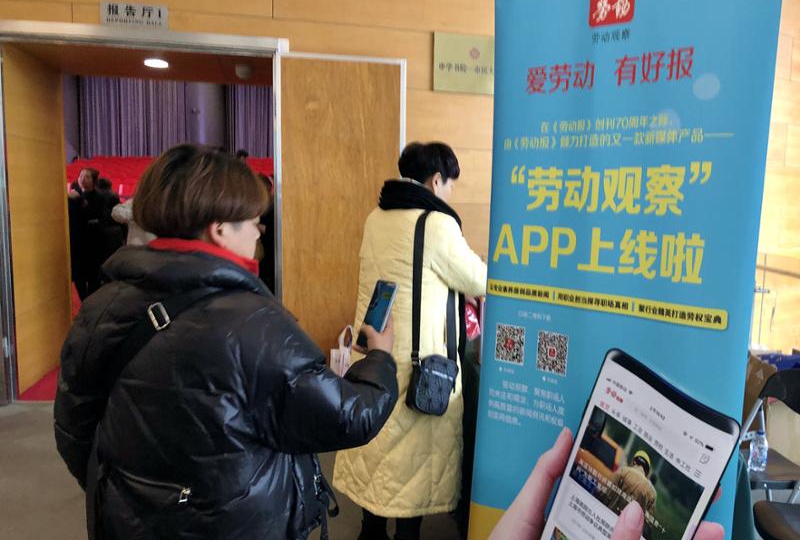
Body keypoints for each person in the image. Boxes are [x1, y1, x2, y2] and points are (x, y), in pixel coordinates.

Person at [54, 144, 400, 540]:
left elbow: (75, 428)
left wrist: (132, 498)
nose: (258, 231)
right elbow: (349, 417)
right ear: (219, 229)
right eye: (253, 221)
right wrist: (379, 358)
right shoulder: (257, 325)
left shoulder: (101, 305)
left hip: (127, 522)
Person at [333, 142, 487, 540]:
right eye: (450, 184)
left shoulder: (376, 217)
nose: (450, 192)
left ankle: (369, 532)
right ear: (436, 180)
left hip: (375, 355)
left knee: (377, 449)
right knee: (412, 464)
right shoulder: (436, 224)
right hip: (419, 367)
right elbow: (478, 279)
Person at [490, 429, 725, 540]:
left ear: (635, 461)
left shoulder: (622, 471)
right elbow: (649, 522)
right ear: (647, 468)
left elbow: (603, 492)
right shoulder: (652, 491)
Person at [68, 167, 107, 299]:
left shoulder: (99, 197)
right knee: (77, 276)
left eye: (87, 177)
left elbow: (93, 216)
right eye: (81, 176)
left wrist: (78, 200)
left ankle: (91, 301)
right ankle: (84, 300)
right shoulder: (74, 195)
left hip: (92, 242)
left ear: (94, 181)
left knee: (92, 277)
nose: (82, 179)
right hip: (76, 241)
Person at [607, 450, 657, 518]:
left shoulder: (622, 471)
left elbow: (608, 492)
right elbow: (648, 519)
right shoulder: (652, 493)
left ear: (634, 462)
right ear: (647, 470)